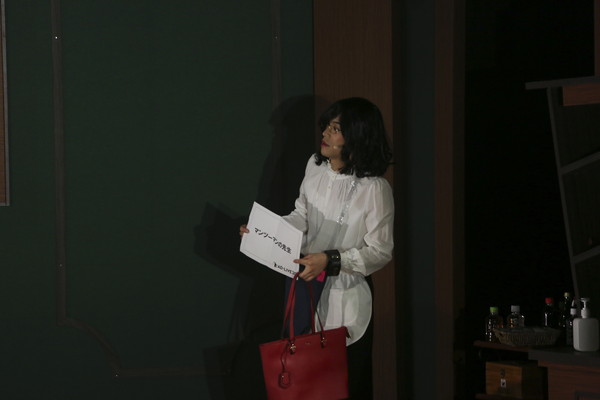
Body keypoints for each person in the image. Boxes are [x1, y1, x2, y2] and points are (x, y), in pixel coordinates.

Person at [240, 97, 394, 399]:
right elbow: (302, 215)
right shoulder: (315, 166)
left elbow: (380, 251)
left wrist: (330, 260)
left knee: (341, 385)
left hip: (345, 298)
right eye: (327, 126)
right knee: (304, 383)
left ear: (357, 136)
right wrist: (261, 230)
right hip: (305, 290)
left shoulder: (375, 188)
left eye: (335, 129)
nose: (324, 133)